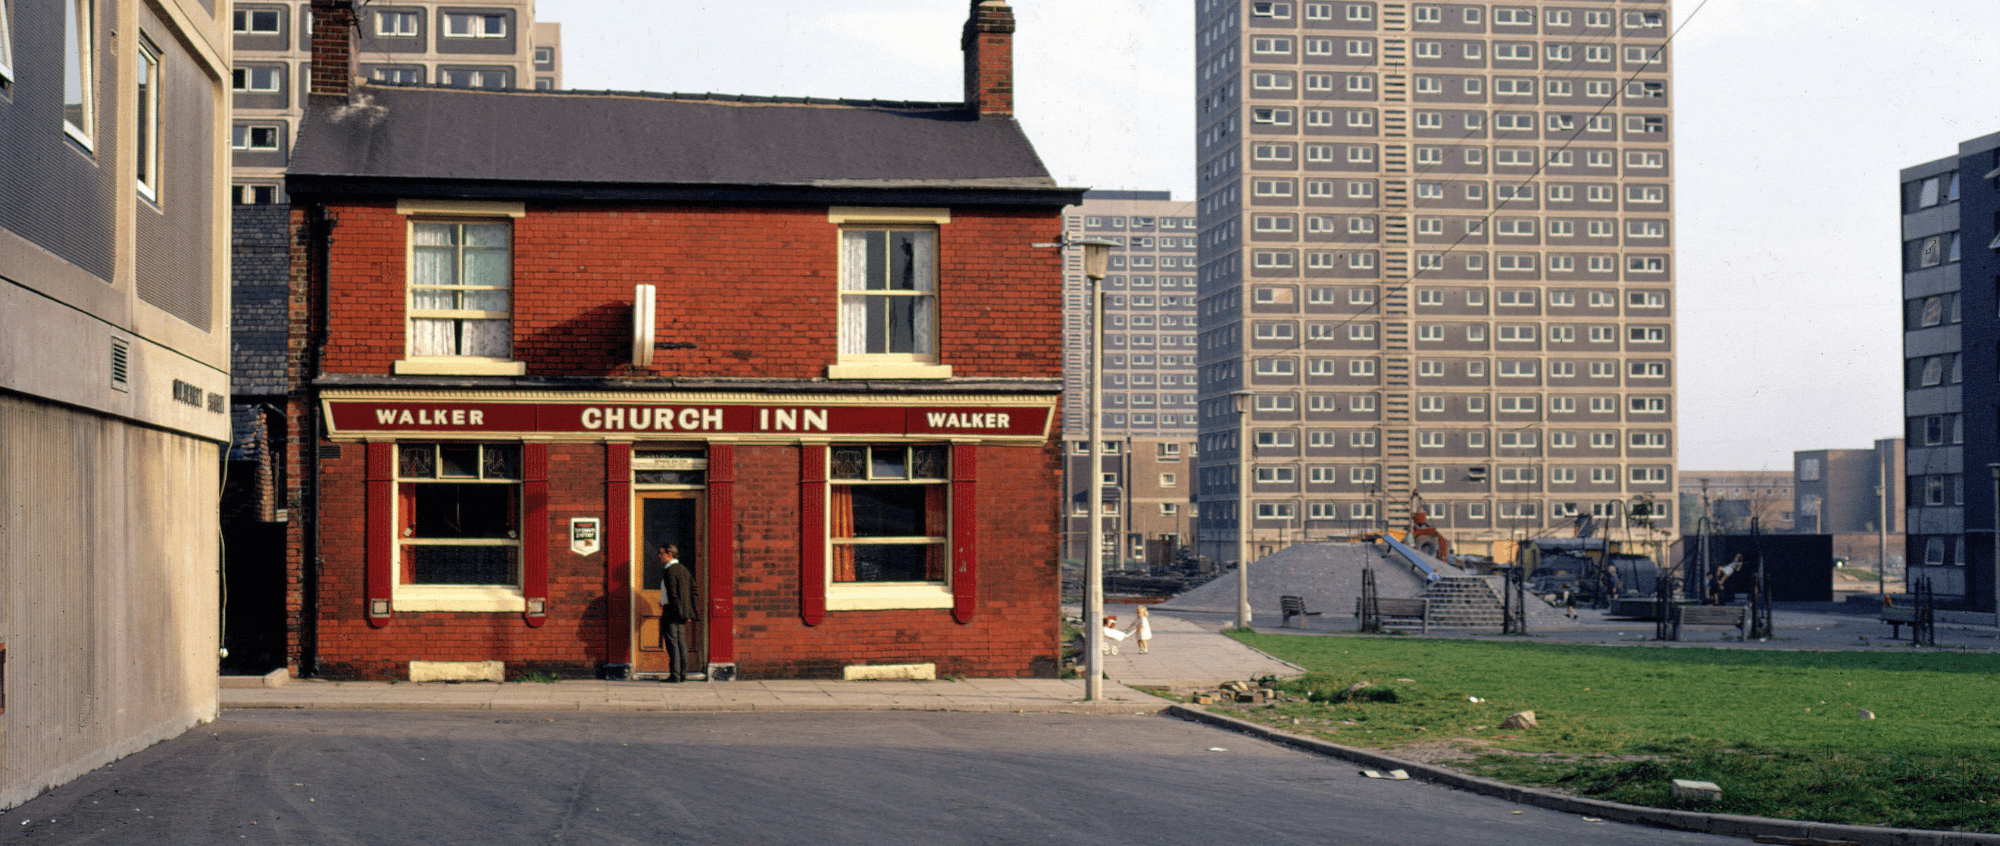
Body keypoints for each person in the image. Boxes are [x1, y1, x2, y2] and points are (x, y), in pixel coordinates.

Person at [657, 544, 699, 682]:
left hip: (672, 611)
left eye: (661, 553)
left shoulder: (669, 571)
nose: (659, 556)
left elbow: (672, 593)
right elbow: (694, 591)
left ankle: (675, 675)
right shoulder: (684, 570)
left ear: (669, 554)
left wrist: (675, 610)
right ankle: (682, 674)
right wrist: (688, 612)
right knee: (681, 643)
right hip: (681, 612)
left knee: (673, 644)